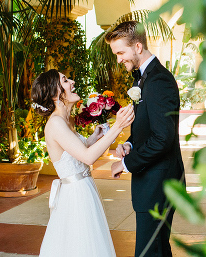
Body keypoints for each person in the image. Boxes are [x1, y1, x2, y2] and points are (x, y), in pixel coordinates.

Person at [34, 69, 135, 257]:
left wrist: (93, 138)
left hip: (84, 188)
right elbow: (87, 158)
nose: (72, 82)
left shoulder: (67, 120)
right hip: (75, 195)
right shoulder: (55, 123)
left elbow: (73, 154)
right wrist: (117, 126)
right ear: (56, 93)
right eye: (65, 80)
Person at [105, 21, 185, 257]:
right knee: (157, 250)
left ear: (138, 46)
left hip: (159, 184)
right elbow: (149, 127)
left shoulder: (158, 80)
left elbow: (163, 138)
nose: (118, 59)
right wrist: (129, 144)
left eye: (121, 53)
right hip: (151, 182)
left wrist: (126, 164)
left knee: (149, 252)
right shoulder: (142, 78)